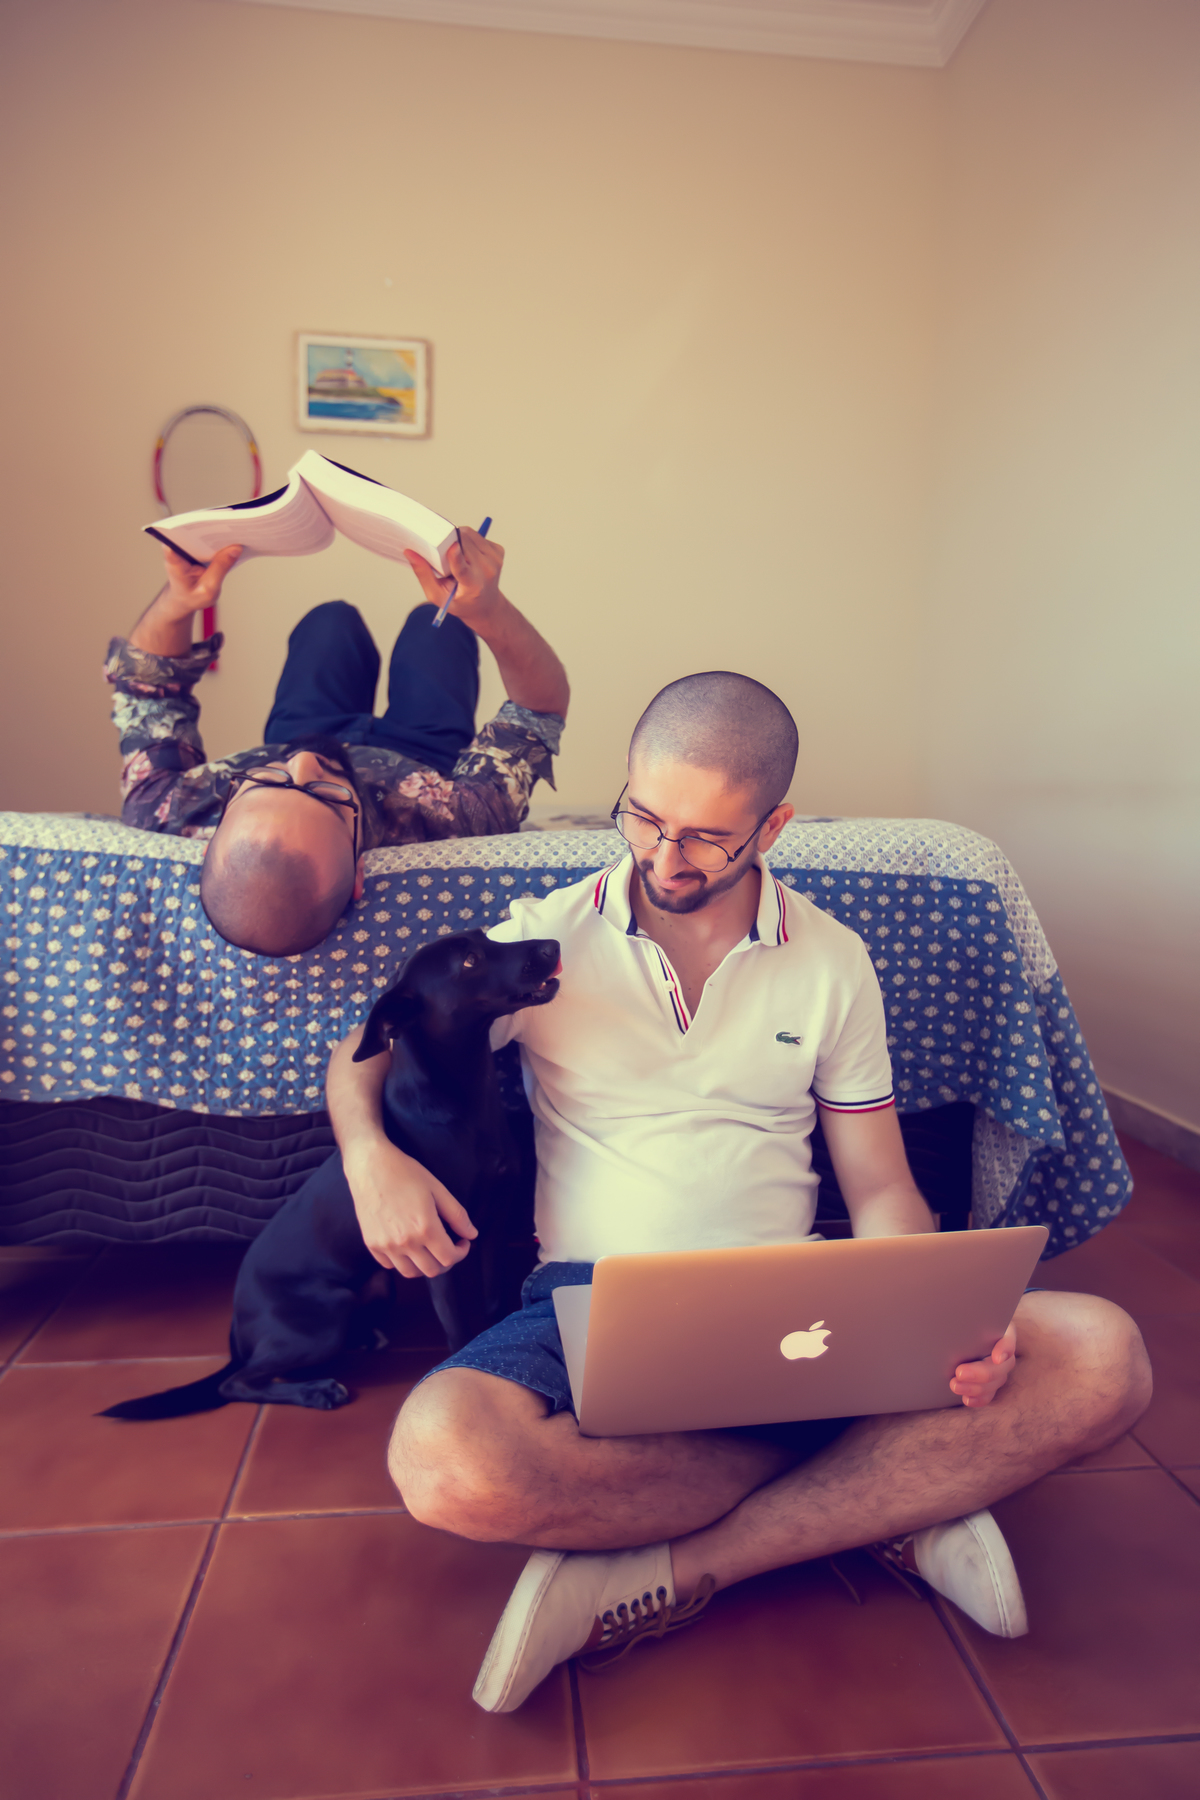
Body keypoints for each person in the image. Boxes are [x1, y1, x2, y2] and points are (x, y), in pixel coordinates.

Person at [323, 671, 1151, 1714]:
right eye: (644, 818)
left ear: (775, 825)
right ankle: (882, 1496)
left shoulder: (833, 961)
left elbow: (881, 1184)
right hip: (588, 1298)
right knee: (442, 1457)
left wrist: (936, 1319)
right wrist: (368, 1158)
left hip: (796, 1300)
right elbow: (368, 1039)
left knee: (1104, 1353)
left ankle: (672, 1571)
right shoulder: (546, 941)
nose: (665, 859)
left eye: (708, 837)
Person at [104, 529, 569, 955]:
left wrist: (179, 601)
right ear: (358, 875)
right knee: (437, 625)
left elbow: (147, 690)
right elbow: (538, 711)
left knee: (330, 622)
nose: (306, 764)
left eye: (267, 785)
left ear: (212, 836)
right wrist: (489, 611)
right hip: (420, 754)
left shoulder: (169, 810)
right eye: (325, 799)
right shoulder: (456, 822)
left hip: (298, 725)